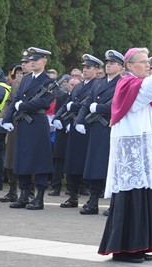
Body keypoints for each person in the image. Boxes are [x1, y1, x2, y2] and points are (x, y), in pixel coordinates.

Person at [98, 47, 152, 263]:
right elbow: (146, 89)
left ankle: (142, 245)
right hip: (134, 154)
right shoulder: (128, 83)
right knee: (133, 198)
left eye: (149, 62)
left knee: (146, 197)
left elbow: (150, 100)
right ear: (130, 66)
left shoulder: (143, 87)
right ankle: (125, 249)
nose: (148, 65)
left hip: (147, 154)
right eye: (144, 62)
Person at [2, 47, 55, 210]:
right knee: (22, 159)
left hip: (37, 123)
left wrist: (23, 106)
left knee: (39, 160)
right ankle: (24, 194)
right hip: (23, 124)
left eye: (36, 60)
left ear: (44, 61)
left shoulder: (49, 81)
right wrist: (7, 118)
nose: (33, 63)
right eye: (31, 60)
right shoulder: (25, 79)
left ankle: (39, 197)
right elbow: (15, 99)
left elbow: (44, 102)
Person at [75, 49, 124, 215]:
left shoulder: (122, 83)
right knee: (95, 165)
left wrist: (101, 107)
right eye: (107, 63)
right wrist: (79, 120)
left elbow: (121, 105)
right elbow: (87, 103)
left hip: (112, 128)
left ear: (120, 67)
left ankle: (114, 203)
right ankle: (93, 200)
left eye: (112, 63)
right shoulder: (98, 82)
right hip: (96, 129)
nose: (109, 65)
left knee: (112, 166)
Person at [53, 54, 102, 208]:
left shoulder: (98, 85)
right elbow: (66, 103)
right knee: (72, 162)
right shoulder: (79, 86)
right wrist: (58, 117)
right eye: (84, 67)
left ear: (96, 69)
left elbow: (87, 105)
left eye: (89, 67)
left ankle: (91, 197)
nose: (85, 70)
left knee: (88, 164)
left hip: (89, 127)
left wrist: (73, 107)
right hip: (75, 126)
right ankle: (72, 195)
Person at [0, 49, 32, 202]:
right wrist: (3, 116)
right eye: (22, 63)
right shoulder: (17, 82)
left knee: (29, 157)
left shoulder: (38, 82)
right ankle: (12, 190)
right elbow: (9, 101)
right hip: (15, 123)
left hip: (30, 124)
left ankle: (28, 190)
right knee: (10, 157)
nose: (23, 65)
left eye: (26, 63)